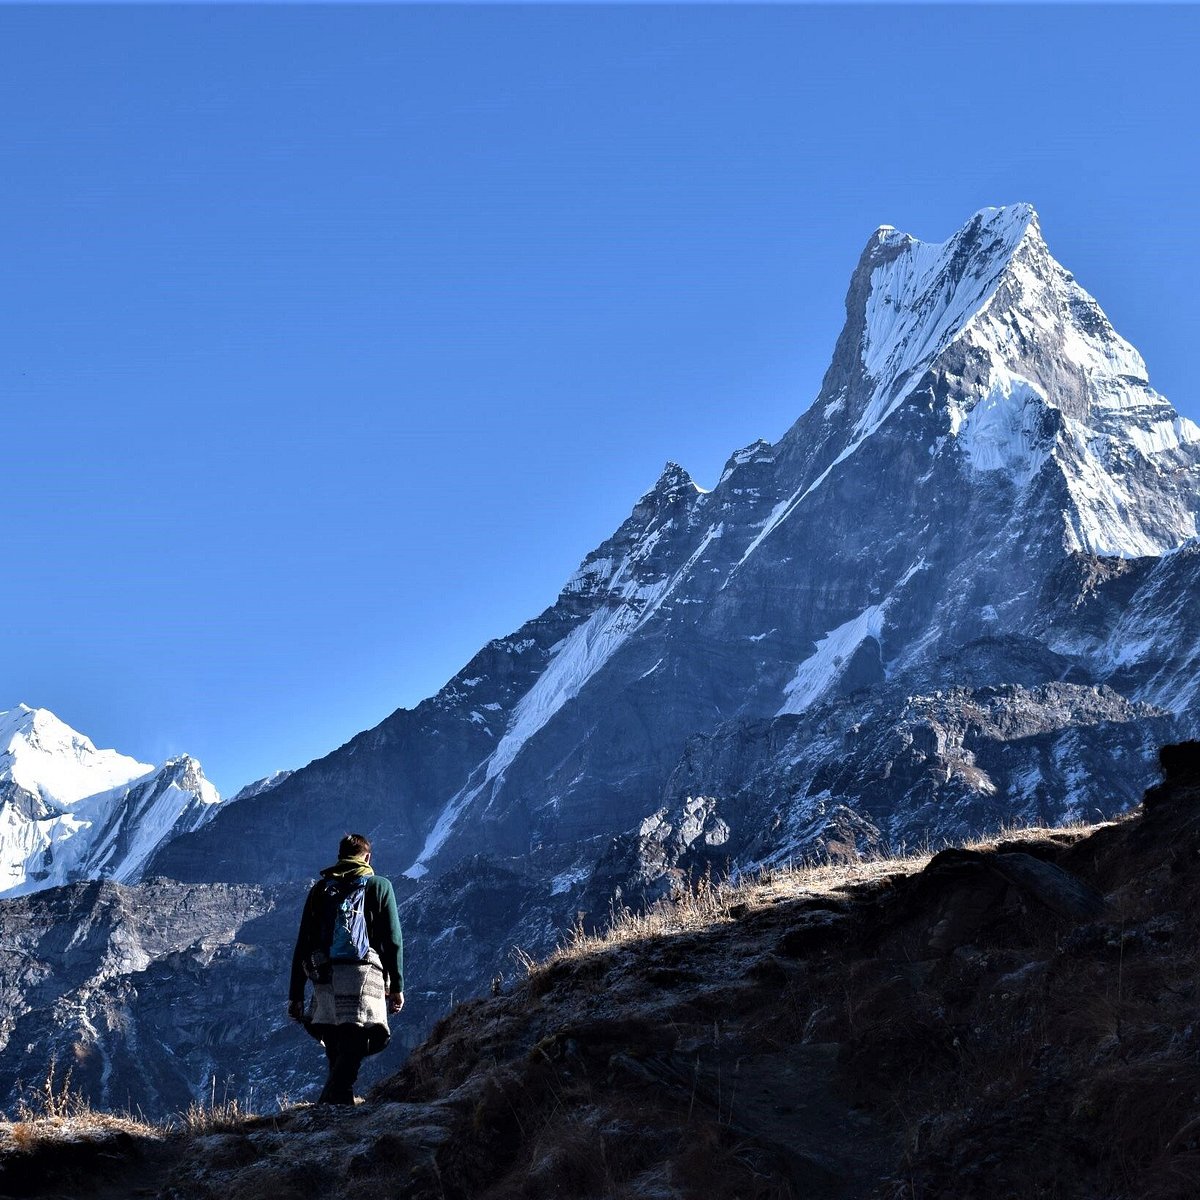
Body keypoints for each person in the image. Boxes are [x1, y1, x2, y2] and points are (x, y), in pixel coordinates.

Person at [288, 832, 404, 1105]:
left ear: (340, 856)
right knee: (356, 1038)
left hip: (325, 975)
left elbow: (304, 942)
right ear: (367, 856)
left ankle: (338, 1102)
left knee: (335, 1039)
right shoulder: (379, 885)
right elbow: (393, 939)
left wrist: (295, 993)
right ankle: (332, 1100)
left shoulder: (320, 889)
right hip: (364, 974)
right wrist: (396, 986)